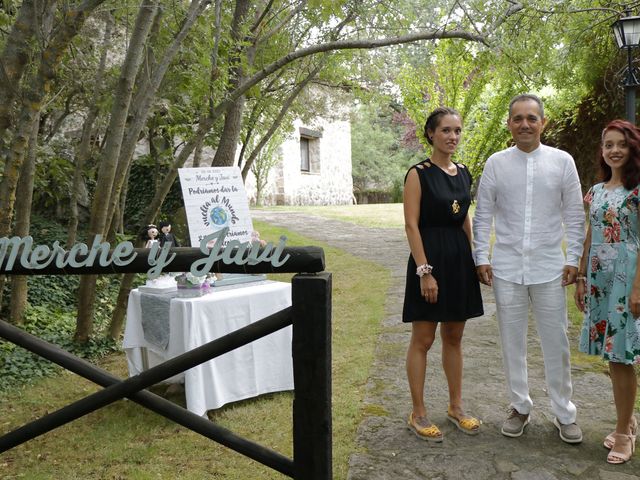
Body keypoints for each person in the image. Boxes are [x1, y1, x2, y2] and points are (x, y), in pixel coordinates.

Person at [473, 93, 585, 443]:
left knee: (557, 341)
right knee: (512, 342)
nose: (524, 124)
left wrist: (574, 258)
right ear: (509, 124)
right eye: (518, 118)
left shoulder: (562, 161)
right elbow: (483, 215)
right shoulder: (496, 163)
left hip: (551, 266)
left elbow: (574, 215)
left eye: (531, 118)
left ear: (543, 122)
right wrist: (481, 256)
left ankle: (564, 412)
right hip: (506, 267)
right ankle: (520, 406)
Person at [403, 107, 484, 442]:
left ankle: (455, 407)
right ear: (431, 134)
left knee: (454, 337)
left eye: (457, 131)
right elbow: (411, 224)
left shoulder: (464, 172)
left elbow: (464, 217)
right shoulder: (418, 174)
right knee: (424, 339)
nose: (453, 137)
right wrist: (425, 272)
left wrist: (476, 258)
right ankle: (418, 413)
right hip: (430, 261)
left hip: (459, 262)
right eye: (446, 130)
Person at [574, 119, 640, 464]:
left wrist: (637, 289)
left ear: (632, 149)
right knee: (610, 355)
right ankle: (627, 418)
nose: (614, 150)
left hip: (627, 277)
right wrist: (583, 276)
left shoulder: (638, 190)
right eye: (608, 144)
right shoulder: (597, 190)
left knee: (622, 355)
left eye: (621, 144)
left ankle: (625, 431)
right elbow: (591, 233)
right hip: (599, 279)